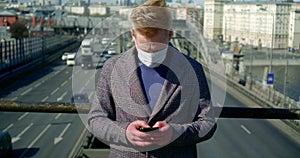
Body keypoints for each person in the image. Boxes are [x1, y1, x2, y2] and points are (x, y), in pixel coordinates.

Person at [88, 0, 217, 157]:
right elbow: (96, 119)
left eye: (157, 49)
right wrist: (125, 133)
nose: (150, 55)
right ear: (133, 35)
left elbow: (208, 123)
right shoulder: (113, 68)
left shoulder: (193, 70)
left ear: (170, 35)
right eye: (144, 48)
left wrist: (175, 134)